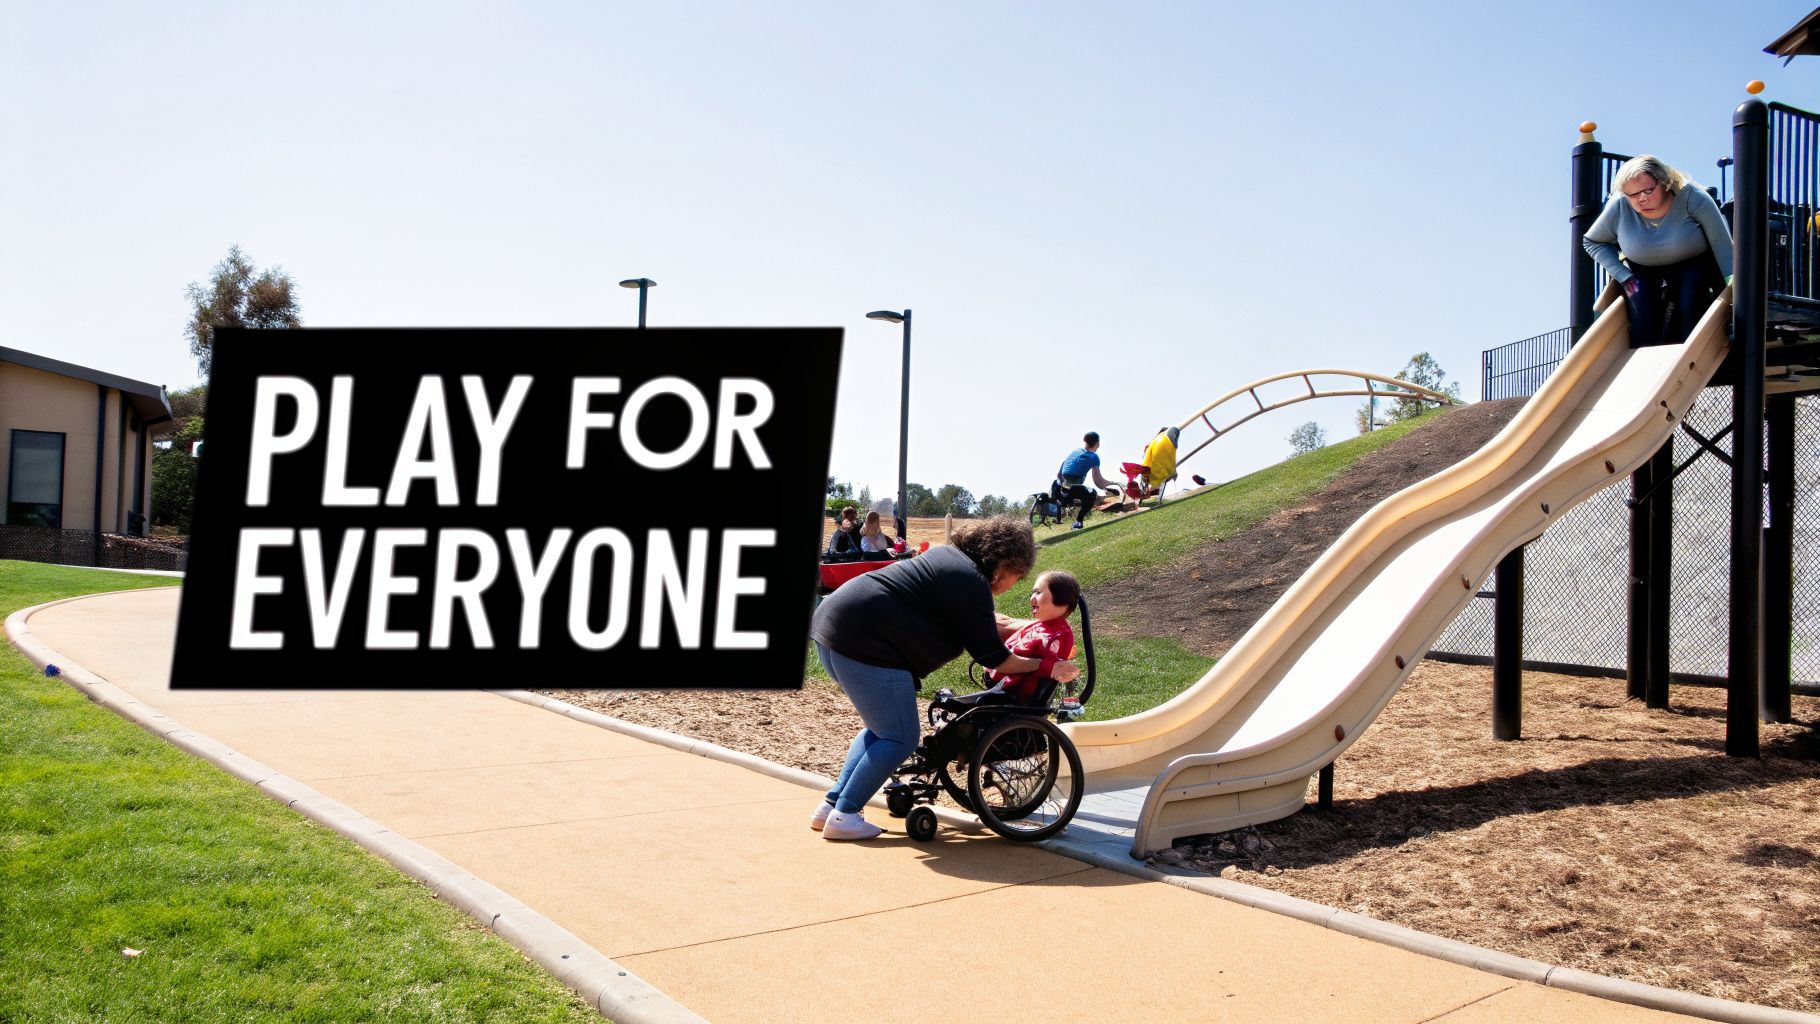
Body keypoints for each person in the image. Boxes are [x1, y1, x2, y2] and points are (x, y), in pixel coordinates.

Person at [807, 517, 1082, 840]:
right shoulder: (970, 582)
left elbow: (994, 621)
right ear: (1006, 566)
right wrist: (1047, 667)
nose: (1012, 587)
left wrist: (1039, 627)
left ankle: (832, 806)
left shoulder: (951, 562)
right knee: (899, 737)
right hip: (867, 645)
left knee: (880, 730)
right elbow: (996, 658)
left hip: (834, 628)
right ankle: (845, 815)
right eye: (1018, 580)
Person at [1581, 154, 1733, 348]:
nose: (1641, 199)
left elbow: (1722, 244)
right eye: (1633, 195)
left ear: (1664, 183)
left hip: (1692, 263)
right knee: (1642, 318)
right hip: (1641, 268)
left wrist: (1734, 287)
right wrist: (1622, 274)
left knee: (1689, 307)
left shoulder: (1693, 198)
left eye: (1648, 190)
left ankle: (1689, 356)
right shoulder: (1619, 206)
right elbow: (1592, 241)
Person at [981, 570, 1080, 704]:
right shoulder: (1043, 625)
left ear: (1062, 598)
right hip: (1002, 679)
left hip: (1014, 692)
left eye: (1038, 592)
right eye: (1032, 592)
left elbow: (1050, 667)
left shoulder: (1058, 635)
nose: (1032, 597)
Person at [1054, 431, 1118, 530]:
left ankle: (1066, 507)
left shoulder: (1076, 451)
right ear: (1097, 443)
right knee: (1092, 494)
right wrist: (1111, 483)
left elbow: (1059, 473)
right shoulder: (1093, 456)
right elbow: (1098, 482)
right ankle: (1078, 522)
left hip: (1059, 489)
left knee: (1088, 494)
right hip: (1070, 491)